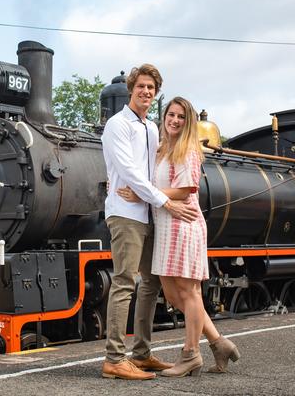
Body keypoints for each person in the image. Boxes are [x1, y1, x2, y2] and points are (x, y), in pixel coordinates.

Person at [118, 96, 241, 377]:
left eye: (181, 117)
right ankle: (219, 343)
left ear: (189, 123)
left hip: (183, 222)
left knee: (189, 292)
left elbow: (186, 190)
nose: (174, 120)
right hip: (165, 224)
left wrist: (142, 194)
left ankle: (190, 355)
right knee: (174, 295)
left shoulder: (188, 150)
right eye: (171, 115)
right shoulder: (163, 148)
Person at [101, 65, 199, 380]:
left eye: (151, 88)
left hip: (146, 213)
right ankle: (115, 359)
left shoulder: (152, 128)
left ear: (155, 93)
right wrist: (166, 201)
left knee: (151, 283)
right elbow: (129, 172)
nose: (146, 92)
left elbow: (152, 168)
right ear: (132, 88)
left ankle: (141, 354)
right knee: (124, 282)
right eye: (141, 86)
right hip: (126, 214)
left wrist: (156, 198)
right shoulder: (117, 125)